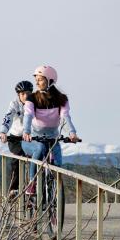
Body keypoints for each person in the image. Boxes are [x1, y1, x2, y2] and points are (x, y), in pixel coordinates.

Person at [22, 65, 80, 194]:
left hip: (53, 138)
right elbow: (28, 115)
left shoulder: (62, 99)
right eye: (36, 79)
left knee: (58, 163)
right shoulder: (31, 98)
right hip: (34, 138)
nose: (37, 82)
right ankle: (33, 183)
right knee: (40, 149)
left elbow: (65, 117)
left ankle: (55, 192)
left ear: (50, 80)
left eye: (40, 79)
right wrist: (26, 131)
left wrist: (72, 132)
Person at [0, 80, 34, 194]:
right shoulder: (14, 104)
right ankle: (13, 190)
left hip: (30, 138)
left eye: (28, 93)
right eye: (22, 94)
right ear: (18, 94)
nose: (25, 96)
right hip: (16, 138)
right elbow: (8, 118)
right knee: (17, 161)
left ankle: (34, 188)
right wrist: (3, 132)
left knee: (37, 159)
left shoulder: (35, 103)